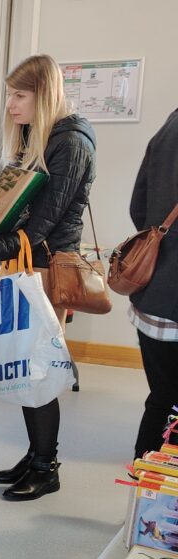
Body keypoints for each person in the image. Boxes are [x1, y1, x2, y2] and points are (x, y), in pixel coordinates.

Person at [0, 53, 95, 502]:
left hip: (47, 267)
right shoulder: (40, 138)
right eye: (9, 94)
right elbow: (17, 209)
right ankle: (35, 455)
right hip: (30, 265)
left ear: (43, 96)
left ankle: (46, 468)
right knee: (27, 369)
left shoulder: (70, 144)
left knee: (38, 370)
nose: (10, 104)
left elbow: (39, 225)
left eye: (19, 95)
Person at [128, 108, 178, 458]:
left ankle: (145, 470)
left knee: (162, 395)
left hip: (153, 288)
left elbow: (138, 206)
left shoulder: (170, 125)